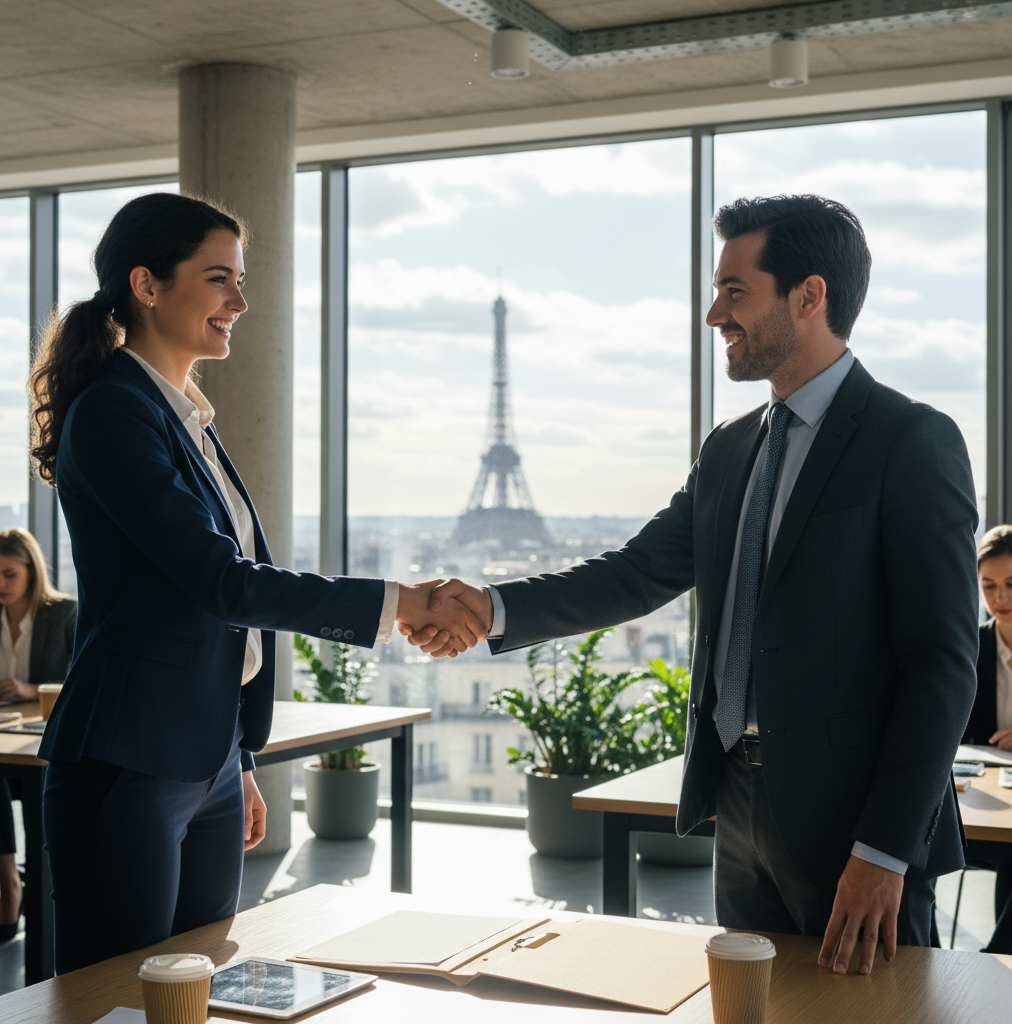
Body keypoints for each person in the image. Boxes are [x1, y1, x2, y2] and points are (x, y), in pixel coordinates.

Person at [405, 195, 979, 975]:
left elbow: (941, 664)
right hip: (737, 807)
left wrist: (884, 850)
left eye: (735, 291)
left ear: (809, 297)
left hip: (855, 825)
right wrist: (494, 607)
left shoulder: (911, 440)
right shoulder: (731, 446)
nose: (715, 315)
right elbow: (638, 573)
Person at [27, 191, 485, 973]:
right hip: (129, 760)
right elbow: (222, 582)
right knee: (117, 999)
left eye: (240, 280)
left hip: (201, 758)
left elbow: (214, 615)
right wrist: (399, 603)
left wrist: (233, 758)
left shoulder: (183, 418)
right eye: (218, 280)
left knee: (198, 987)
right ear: (147, 285)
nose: (240, 302)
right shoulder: (113, 412)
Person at [0, 527, 76, 942]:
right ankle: (11, 883)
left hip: (46, 740)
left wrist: (27, 689)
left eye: (9, 574)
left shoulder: (64, 614)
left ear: (31, 572)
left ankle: (26, 892)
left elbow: (81, 680)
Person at [962, 525, 1012, 953]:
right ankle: (923, 957)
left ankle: (996, 960)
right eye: (989, 586)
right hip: (979, 800)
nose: (1001, 600)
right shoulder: (969, 648)